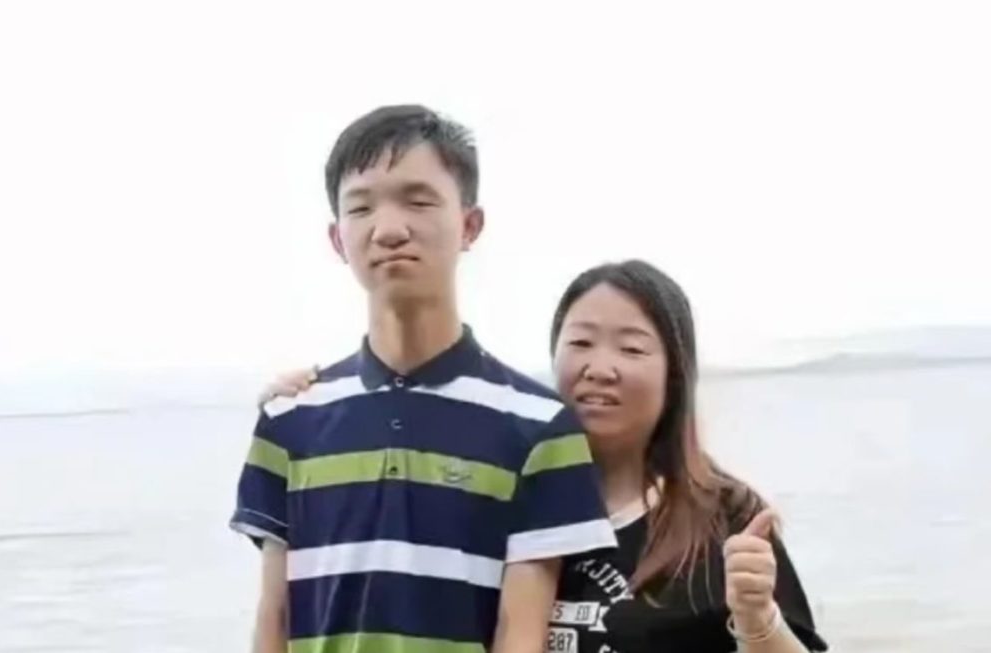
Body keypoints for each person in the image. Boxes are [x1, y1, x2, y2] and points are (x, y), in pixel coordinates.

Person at [262, 259, 828, 652]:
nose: (600, 367)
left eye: (632, 348)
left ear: (675, 374)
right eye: (580, 342)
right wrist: (305, 406)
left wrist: (758, 620)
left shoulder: (724, 517)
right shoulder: (494, 491)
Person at [229, 105, 616, 653]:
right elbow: (275, 619)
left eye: (418, 200)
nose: (389, 229)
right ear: (338, 239)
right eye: (361, 207)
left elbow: (520, 633)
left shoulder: (540, 428)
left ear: (469, 225)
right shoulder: (289, 421)